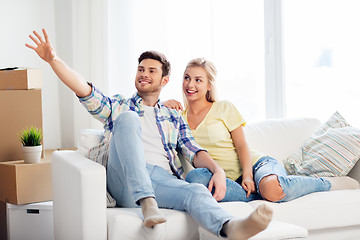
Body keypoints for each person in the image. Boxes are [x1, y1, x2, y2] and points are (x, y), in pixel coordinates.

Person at [26, 29, 274, 239]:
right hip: (123, 179)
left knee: (196, 191)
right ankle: (146, 202)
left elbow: (194, 151)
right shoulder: (119, 106)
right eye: (141, 69)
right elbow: (85, 90)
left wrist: (217, 170)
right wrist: (54, 60)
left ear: (164, 80)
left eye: (152, 71)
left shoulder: (173, 116)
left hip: (160, 179)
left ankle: (231, 228)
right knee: (128, 118)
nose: (144, 74)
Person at [164, 57, 359, 203]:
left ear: (208, 85)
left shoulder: (224, 108)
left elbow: (242, 145)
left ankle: (327, 183)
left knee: (271, 189)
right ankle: (261, 193)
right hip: (226, 180)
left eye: (198, 80)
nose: (190, 84)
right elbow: (151, 120)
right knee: (195, 179)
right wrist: (162, 104)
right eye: (187, 78)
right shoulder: (177, 118)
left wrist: (248, 175)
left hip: (257, 165)